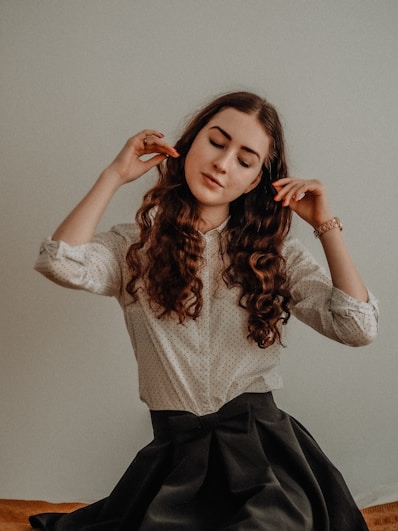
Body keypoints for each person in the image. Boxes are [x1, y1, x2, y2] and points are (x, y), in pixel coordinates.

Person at [30, 91, 378, 530]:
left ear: (254, 182)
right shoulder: (134, 248)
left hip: (266, 457)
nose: (223, 163)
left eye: (245, 159)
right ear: (191, 143)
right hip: (176, 460)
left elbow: (357, 327)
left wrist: (326, 227)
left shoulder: (277, 256)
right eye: (217, 142)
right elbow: (58, 261)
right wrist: (115, 174)